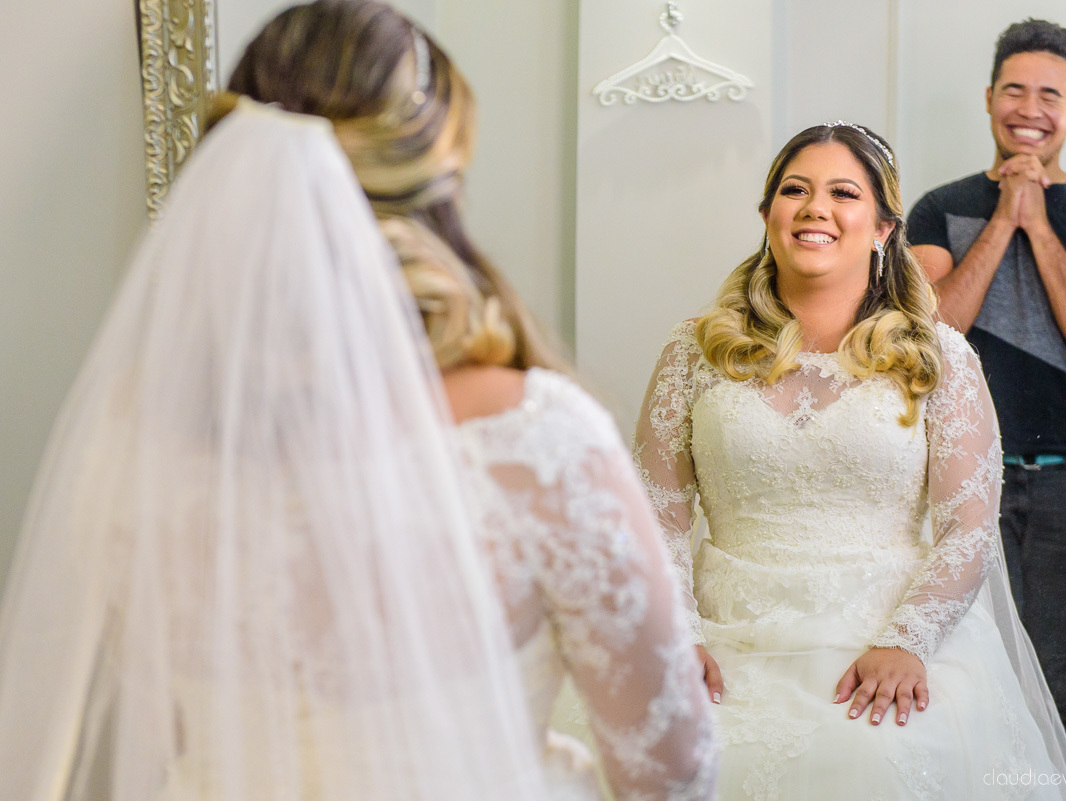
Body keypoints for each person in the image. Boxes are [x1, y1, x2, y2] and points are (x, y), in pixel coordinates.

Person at [0, 3, 716, 800]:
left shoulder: (134, 441)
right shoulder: (533, 442)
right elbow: (671, 767)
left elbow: (163, 729)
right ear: (434, 192)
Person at [632, 122, 1066, 800]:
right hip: (724, 641)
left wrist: (908, 641)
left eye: (843, 192)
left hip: (884, 638)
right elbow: (654, 518)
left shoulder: (940, 359)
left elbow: (967, 524)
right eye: (795, 190)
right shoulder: (693, 352)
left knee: (870, 762)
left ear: (882, 228)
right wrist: (678, 638)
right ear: (768, 217)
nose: (816, 207)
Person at [906, 19, 1066, 767]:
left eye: (1049, 95)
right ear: (990, 98)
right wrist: (1002, 219)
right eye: (1015, 90)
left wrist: (1041, 225)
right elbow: (933, 335)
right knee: (966, 684)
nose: (1030, 108)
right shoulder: (937, 209)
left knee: (1054, 690)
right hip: (959, 481)